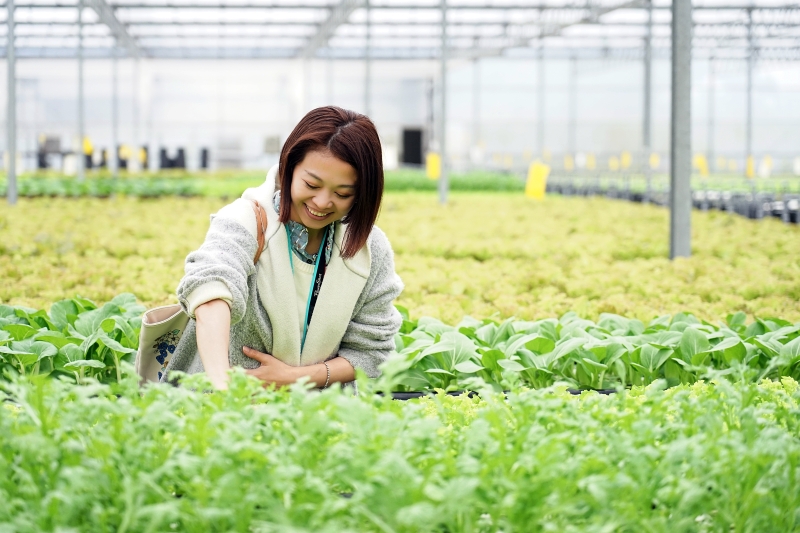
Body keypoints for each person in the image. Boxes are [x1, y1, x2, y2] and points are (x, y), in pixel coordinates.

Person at [160, 106, 404, 391]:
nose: (323, 202)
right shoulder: (246, 220)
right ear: (288, 168)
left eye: (342, 193)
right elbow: (212, 290)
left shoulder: (370, 250)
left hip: (316, 423)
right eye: (311, 184)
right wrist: (222, 386)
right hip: (224, 414)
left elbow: (371, 353)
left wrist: (295, 377)